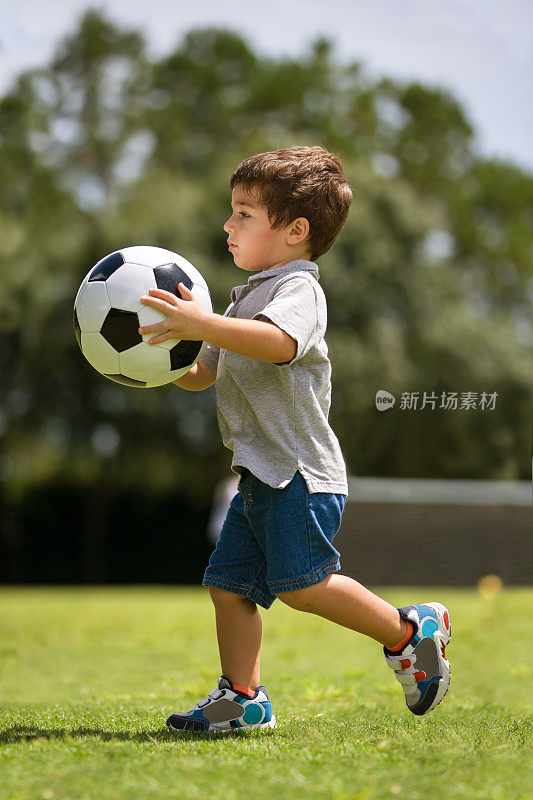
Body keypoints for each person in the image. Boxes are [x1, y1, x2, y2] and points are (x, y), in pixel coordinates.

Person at [139, 145, 452, 733]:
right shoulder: (238, 299)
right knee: (228, 588)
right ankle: (243, 698)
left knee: (303, 586)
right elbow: (204, 373)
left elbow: (278, 344)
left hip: (302, 475)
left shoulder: (299, 291)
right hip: (258, 476)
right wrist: (151, 357)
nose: (227, 227)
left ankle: (411, 632)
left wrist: (201, 324)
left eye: (243, 214)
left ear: (295, 231)